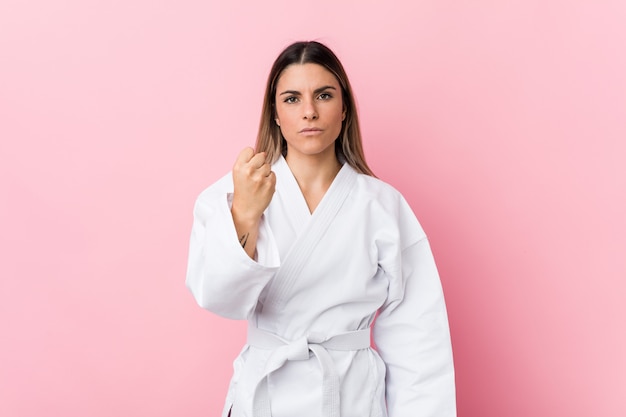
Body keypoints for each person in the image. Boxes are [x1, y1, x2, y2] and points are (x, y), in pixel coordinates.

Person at [186, 40, 456, 417]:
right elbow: (218, 298)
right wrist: (245, 214)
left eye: (324, 95)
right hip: (265, 396)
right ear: (275, 113)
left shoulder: (382, 206)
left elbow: (419, 339)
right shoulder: (233, 194)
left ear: (344, 108)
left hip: (351, 398)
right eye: (292, 99)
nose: (309, 112)